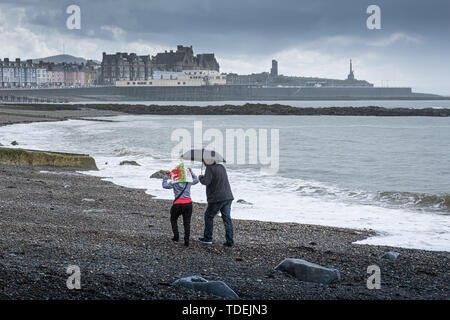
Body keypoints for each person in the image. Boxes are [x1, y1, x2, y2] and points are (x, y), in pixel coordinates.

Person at [198, 160, 235, 247]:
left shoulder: (209, 168)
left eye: (204, 160)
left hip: (217, 198)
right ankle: (230, 241)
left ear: (207, 161)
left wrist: (200, 178)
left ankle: (208, 238)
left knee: (208, 216)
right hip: (228, 196)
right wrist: (205, 177)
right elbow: (215, 179)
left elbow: (206, 182)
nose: (203, 162)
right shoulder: (221, 167)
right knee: (227, 219)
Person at [162, 165, 199, 247]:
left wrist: (166, 176)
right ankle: (186, 241)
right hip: (188, 204)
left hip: (177, 204)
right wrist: (191, 172)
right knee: (187, 222)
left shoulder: (174, 182)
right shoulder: (188, 181)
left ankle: (176, 237)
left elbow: (164, 185)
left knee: (173, 219)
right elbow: (197, 180)